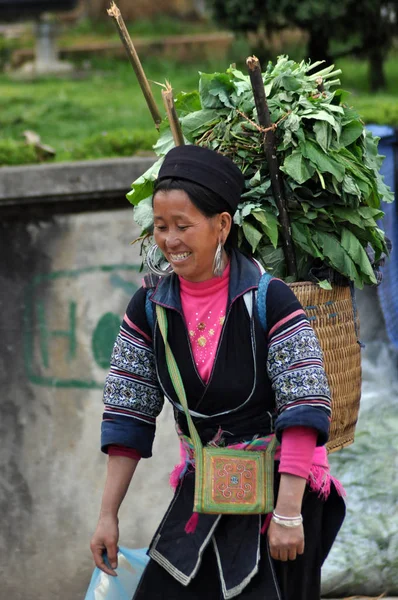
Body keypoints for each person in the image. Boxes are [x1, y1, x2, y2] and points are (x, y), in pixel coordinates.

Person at [90, 144, 346, 600]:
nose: (170, 241)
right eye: (162, 227)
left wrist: (289, 513)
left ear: (222, 225)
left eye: (183, 226)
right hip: (203, 491)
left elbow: (304, 406)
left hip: (279, 495)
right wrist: (108, 515)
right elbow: (128, 413)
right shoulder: (150, 307)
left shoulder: (270, 301)